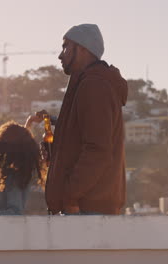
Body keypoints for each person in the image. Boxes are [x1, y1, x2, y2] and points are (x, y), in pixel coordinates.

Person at [37, 24, 128, 215]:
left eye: (66, 47)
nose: (60, 55)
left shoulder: (94, 86)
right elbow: (87, 146)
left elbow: (98, 151)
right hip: (86, 208)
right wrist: (57, 155)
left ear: (83, 49)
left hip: (87, 210)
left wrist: (70, 196)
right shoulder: (89, 84)